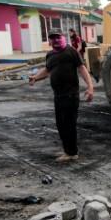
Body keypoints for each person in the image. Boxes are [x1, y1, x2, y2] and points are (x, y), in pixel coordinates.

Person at [28, 29, 94, 162]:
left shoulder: (71, 51)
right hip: (58, 96)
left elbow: (82, 69)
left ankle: (72, 153)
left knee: (68, 125)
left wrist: (90, 87)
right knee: (61, 125)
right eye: (52, 38)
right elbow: (47, 70)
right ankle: (68, 149)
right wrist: (36, 77)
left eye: (58, 37)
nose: (55, 40)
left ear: (63, 37)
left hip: (70, 95)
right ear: (50, 41)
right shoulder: (50, 55)